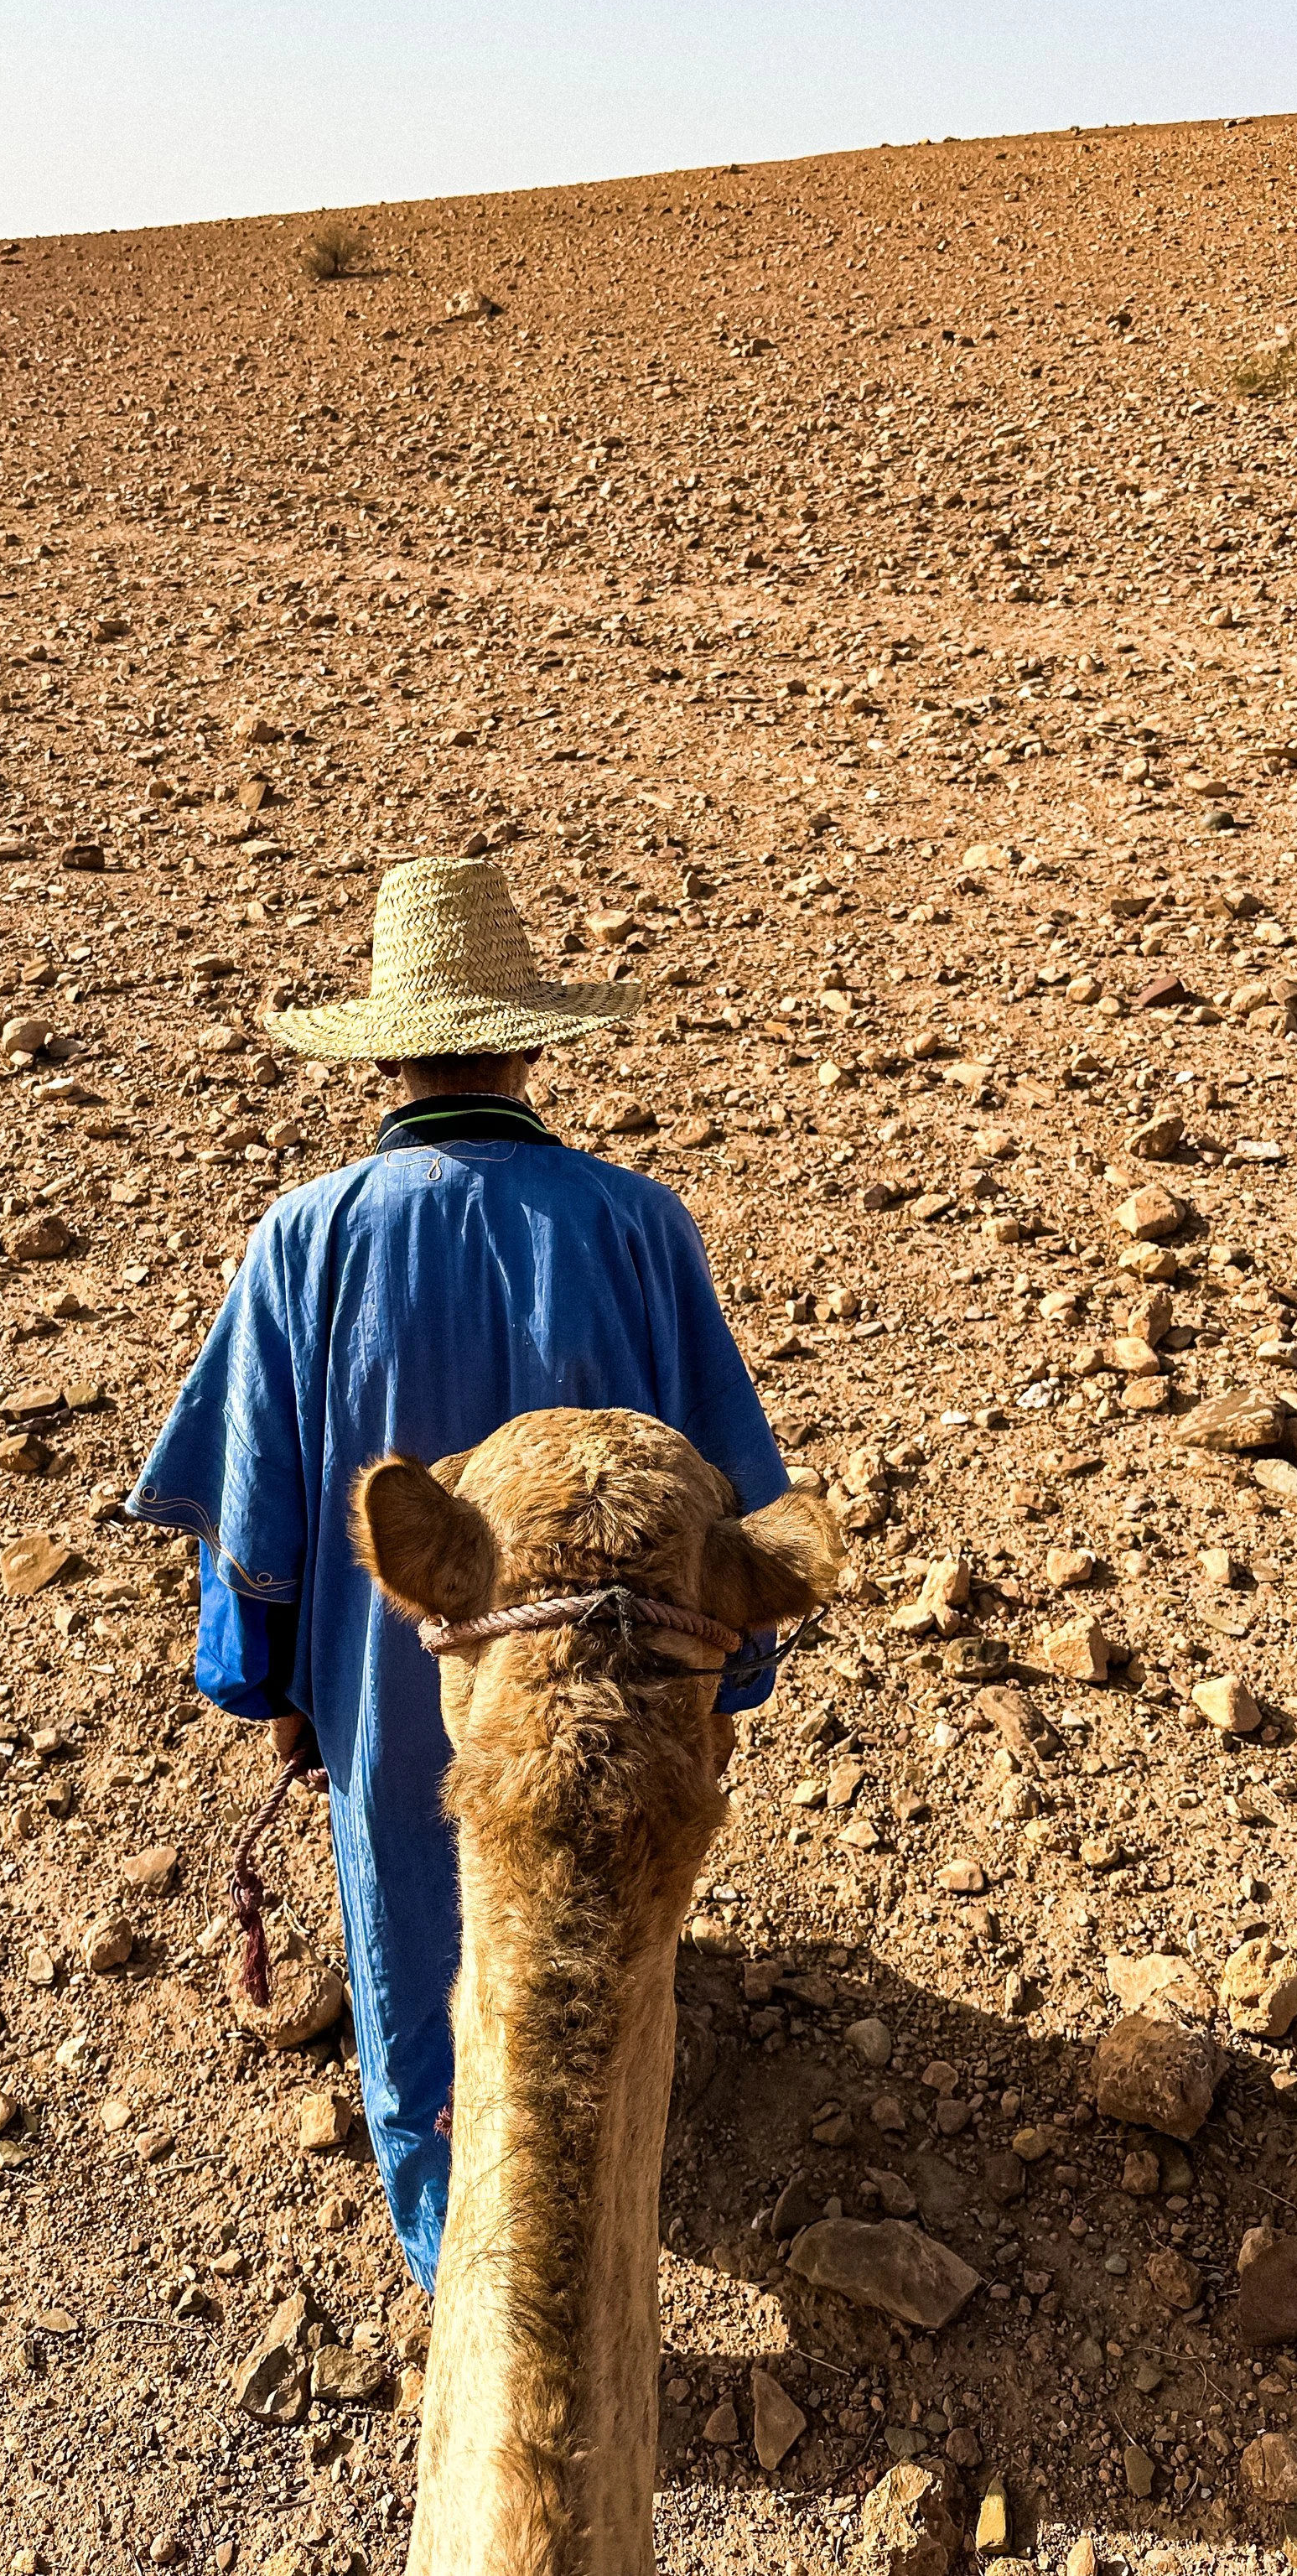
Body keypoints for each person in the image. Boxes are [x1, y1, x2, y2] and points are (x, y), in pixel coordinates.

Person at [127, 855, 791, 2290]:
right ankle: (601, 2190)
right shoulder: (636, 1224)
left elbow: (257, 1517)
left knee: (415, 1905)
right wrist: (728, 1679)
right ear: (526, 1040)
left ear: (389, 1050)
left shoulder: (302, 1240)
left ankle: (458, 2243)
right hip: (624, 1674)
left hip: (392, 1678)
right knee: (604, 1907)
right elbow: (740, 1499)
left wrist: (276, 1688)